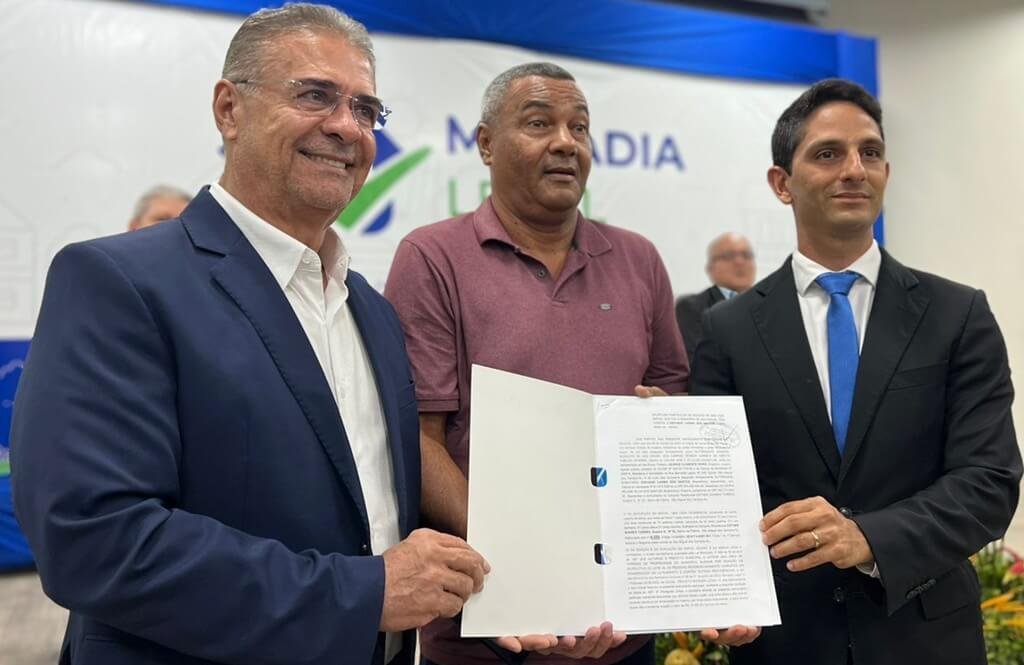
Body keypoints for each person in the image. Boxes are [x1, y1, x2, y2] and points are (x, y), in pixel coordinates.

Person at [10, 5, 488, 665]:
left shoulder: (373, 314)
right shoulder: (118, 282)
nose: (346, 126)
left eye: (366, 109)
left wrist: (527, 596)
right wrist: (364, 594)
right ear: (229, 109)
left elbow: (375, 518)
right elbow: (94, 541)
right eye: (315, 95)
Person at [384, 62, 758, 665]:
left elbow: (669, 410)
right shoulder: (432, 257)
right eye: (539, 123)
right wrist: (529, 570)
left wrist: (697, 558)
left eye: (579, 127)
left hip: (626, 628)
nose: (565, 142)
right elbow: (420, 440)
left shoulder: (639, 259)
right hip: (491, 629)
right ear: (486, 144)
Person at [690, 78, 1021, 665]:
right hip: (784, 643)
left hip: (926, 639)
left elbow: (989, 480)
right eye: (828, 153)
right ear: (782, 184)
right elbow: (713, 492)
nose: (854, 170)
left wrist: (867, 536)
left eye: (870, 152)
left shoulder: (957, 314)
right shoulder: (726, 329)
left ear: (886, 173)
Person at [674, 232, 755, 360]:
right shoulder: (691, 308)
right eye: (729, 256)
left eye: (746, 255)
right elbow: (696, 361)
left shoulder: (770, 306)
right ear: (710, 268)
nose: (739, 262)